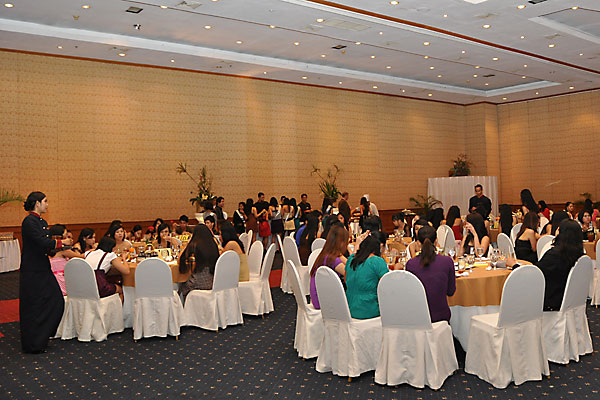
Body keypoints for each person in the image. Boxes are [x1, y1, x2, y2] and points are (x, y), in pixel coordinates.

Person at [19, 192, 73, 353]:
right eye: (45, 201)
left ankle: (43, 335)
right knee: (34, 305)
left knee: (56, 300)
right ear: (37, 203)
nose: (47, 205)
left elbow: (46, 245)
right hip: (32, 269)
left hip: (43, 267)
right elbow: (40, 241)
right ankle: (33, 343)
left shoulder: (42, 222)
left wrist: (61, 247)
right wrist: (61, 242)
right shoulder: (29, 221)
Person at [509, 220, 583, 311]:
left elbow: (534, 275)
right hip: (569, 299)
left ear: (561, 234)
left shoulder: (555, 255)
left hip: (550, 300)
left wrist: (514, 266)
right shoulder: (579, 255)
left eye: (558, 229)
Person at [406, 225, 456, 323]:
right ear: (436, 241)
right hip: (441, 317)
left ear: (418, 243)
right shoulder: (447, 261)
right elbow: (450, 292)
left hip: (418, 318)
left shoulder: (411, 264)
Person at [344, 230, 388, 319]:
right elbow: (387, 286)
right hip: (370, 310)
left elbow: (346, 280)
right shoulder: (376, 261)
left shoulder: (351, 259)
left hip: (349, 309)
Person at [309, 224, 349, 309]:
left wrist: (341, 255)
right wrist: (353, 250)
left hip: (317, 298)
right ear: (342, 242)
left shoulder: (326, 255)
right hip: (324, 302)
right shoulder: (334, 260)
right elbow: (352, 273)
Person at [178, 224, 220, 298]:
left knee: (180, 288)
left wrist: (187, 244)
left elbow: (180, 260)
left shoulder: (194, 245)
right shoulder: (213, 245)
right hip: (212, 282)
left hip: (197, 283)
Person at [85, 236, 130, 301]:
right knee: (120, 290)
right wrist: (124, 258)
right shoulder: (109, 255)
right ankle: (117, 308)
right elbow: (126, 271)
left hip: (86, 286)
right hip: (99, 287)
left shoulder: (88, 253)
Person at [48, 224, 83, 296]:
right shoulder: (64, 251)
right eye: (66, 236)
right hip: (62, 282)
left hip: (51, 283)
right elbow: (81, 257)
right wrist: (77, 248)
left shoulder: (49, 251)